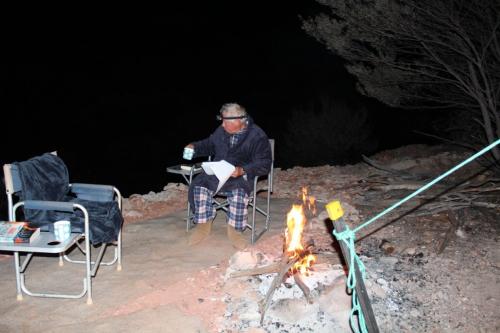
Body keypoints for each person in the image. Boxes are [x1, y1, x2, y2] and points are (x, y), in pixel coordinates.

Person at [184, 103, 272, 249]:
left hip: (240, 176)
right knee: (199, 185)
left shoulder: (257, 136)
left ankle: (235, 232)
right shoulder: (221, 131)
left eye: (226, 121)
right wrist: (194, 147)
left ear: (240, 121)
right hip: (219, 173)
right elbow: (209, 145)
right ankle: (203, 226)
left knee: (238, 192)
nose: (222, 125)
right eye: (222, 120)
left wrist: (243, 170)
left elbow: (265, 163)